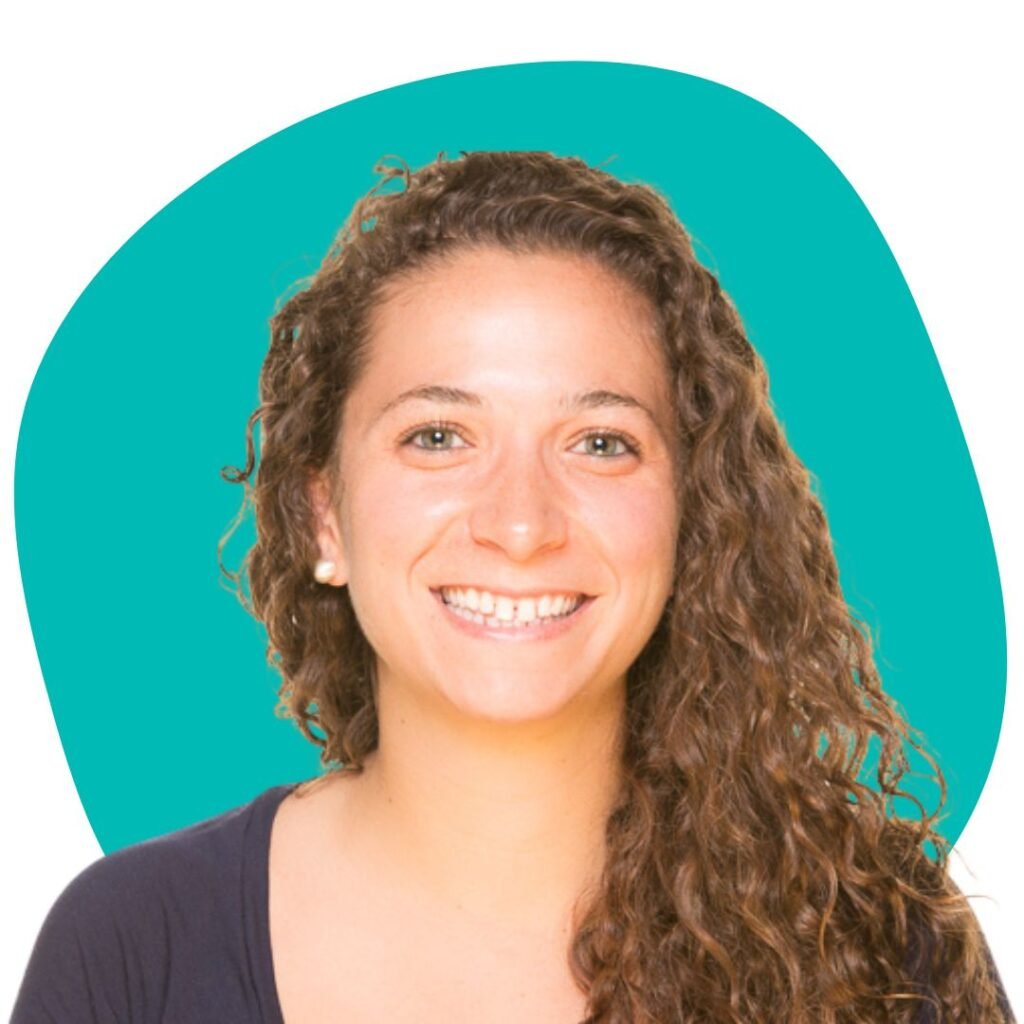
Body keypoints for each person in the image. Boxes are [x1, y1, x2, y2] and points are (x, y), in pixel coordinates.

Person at [12, 150, 1013, 1023]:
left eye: (600, 443)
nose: (521, 522)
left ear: (688, 516)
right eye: (438, 437)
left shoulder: (876, 946)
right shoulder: (131, 949)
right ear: (325, 518)